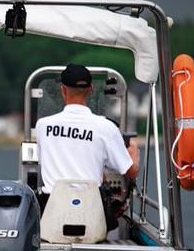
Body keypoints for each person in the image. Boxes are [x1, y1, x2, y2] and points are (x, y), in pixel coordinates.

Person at [35, 64, 140, 213]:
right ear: (91, 89)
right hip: (91, 213)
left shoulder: (42, 126)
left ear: (63, 90)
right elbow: (131, 171)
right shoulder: (106, 127)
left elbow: (43, 161)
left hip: (52, 212)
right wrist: (134, 150)